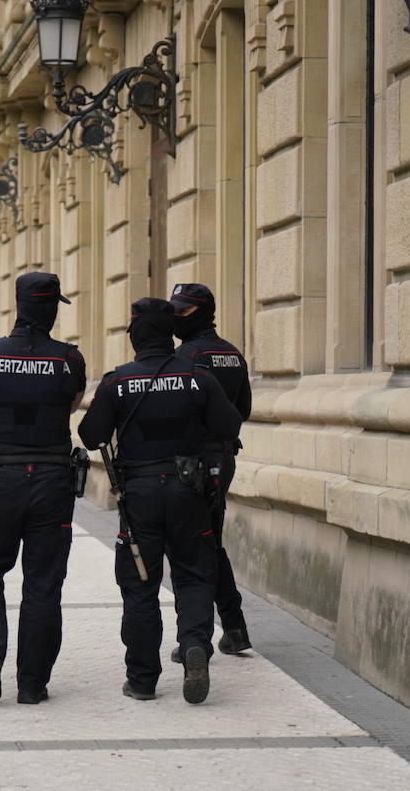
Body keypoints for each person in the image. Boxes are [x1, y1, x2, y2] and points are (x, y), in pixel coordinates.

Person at [78, 298, 241, 704]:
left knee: (140, 585)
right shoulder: (199, 378)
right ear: (169, 333)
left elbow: (90, 434)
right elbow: (230, 425)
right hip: (189, 490)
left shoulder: (119, 382)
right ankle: (194, 646)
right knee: (193, 576)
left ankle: (143, 679)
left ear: (135, 334)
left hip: (139, 497)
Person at [0, 272, 87, 705]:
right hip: (52, 480)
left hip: (0, 478)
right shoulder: (70, 360)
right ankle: (33, 684)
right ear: (53, 309)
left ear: (18, 304)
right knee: (43, 583)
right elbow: (69, 409)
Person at [169, 282, 254, 659]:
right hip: (224, 458)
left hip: (192, 464)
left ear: (202, 311)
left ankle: (194, 639)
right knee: (210, 543)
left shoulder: (187, 356)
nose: (175, 317)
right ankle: (233, 628)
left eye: (182, 311)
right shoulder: (232, 354)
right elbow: (244, 410)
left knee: (190, 549)